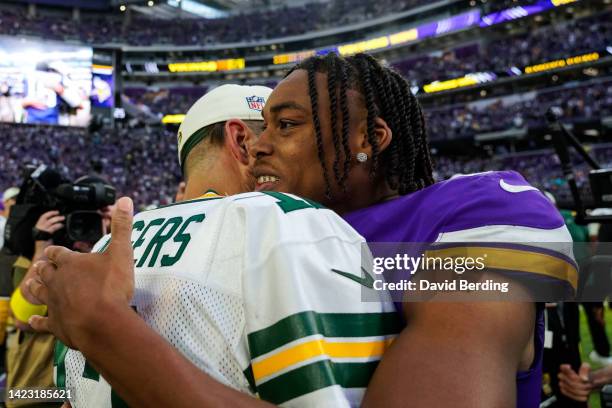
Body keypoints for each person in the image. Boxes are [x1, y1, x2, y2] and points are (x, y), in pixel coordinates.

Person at [28, 54, 575, 407]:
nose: (261, 145)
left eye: (286, 126)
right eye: (262, 127)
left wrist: (107, 329)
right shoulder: (260, 227)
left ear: (372, 138)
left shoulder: (472, 213)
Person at [31, 83, 399, 408]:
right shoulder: (285, 220)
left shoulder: (106, 245)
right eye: (278, 129)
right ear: (242, 142)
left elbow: (67, 398)